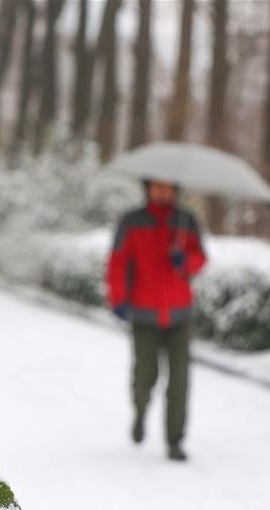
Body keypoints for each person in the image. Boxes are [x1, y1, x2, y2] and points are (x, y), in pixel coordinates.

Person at [106, 180, 207, 461]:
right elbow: (117, 261)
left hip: (179, 315)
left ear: (176, 190)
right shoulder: (131, 221)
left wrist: (184, 261)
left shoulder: (186, 221)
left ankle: (175, 441)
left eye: (168, 188)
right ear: (148, 188)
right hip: (144, 314)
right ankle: (140, 411)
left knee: (179, 381)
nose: (163, 192)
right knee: (144, 377)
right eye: (157, 187)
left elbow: (200, 258)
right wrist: (118, 299)